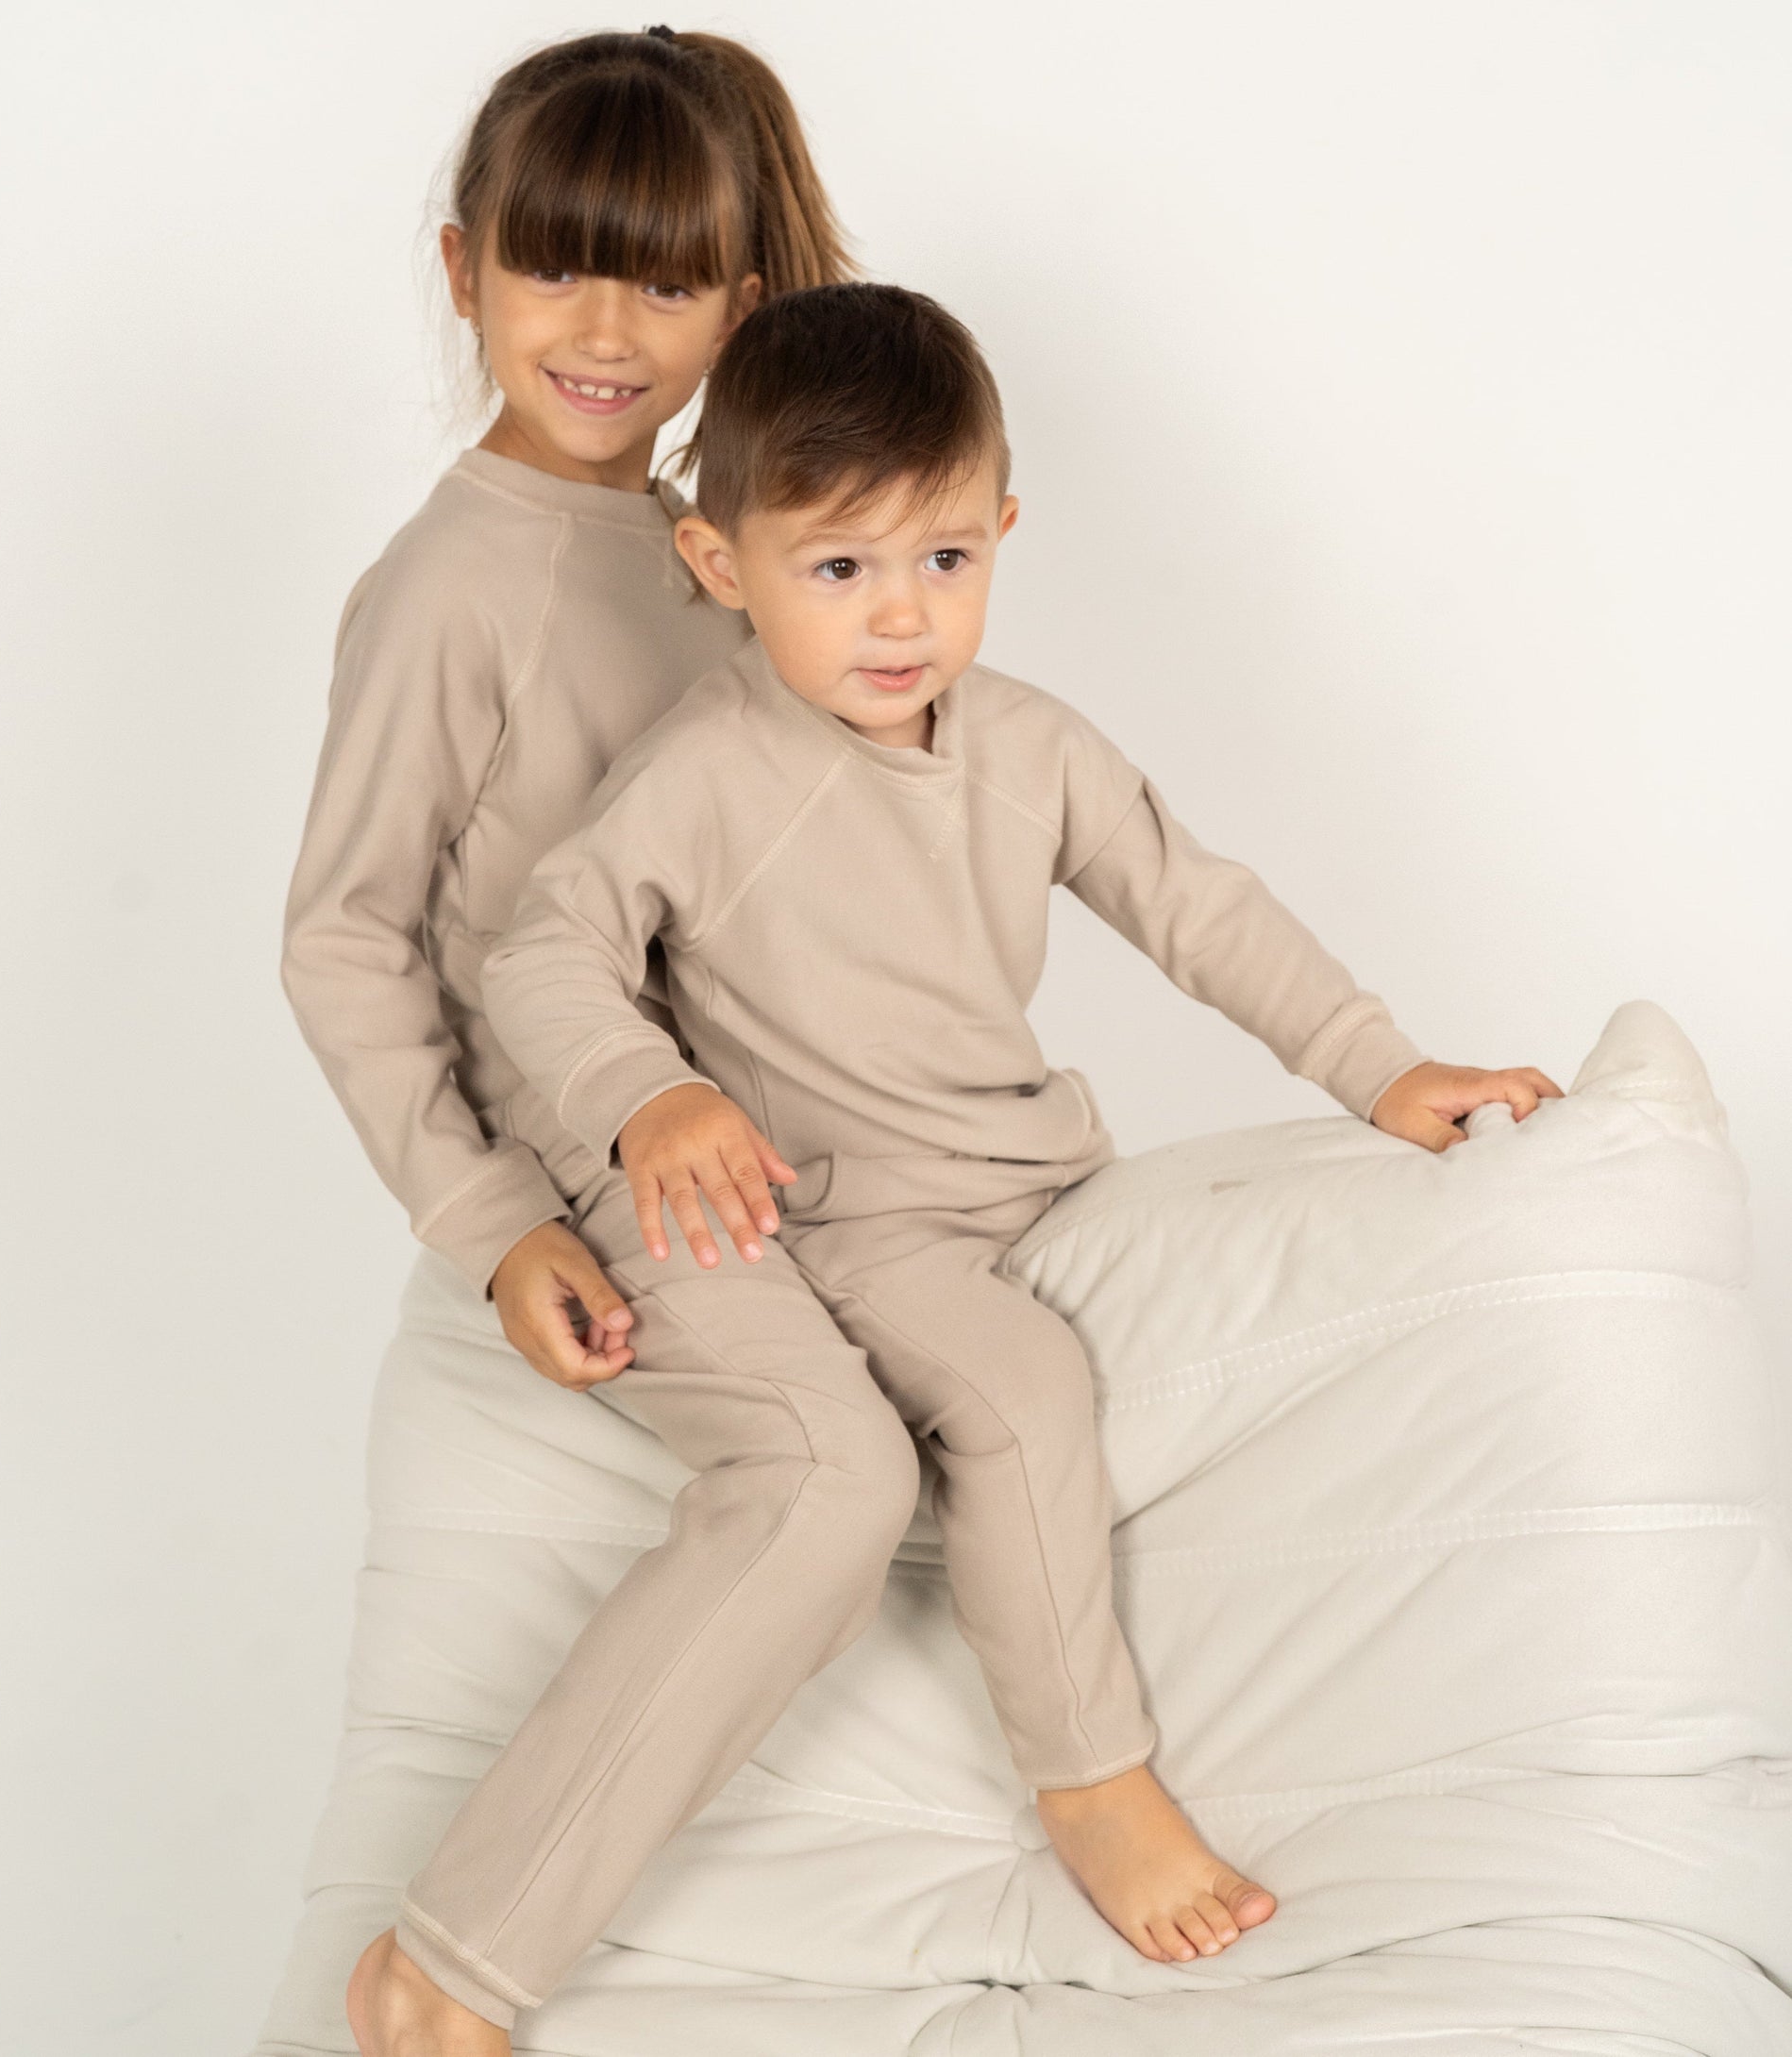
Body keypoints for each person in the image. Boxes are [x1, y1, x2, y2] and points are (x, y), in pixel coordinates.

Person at [480, 281, 1565, 2009]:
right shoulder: (708, 774)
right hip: (845, 1219)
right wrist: (647, 1090)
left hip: (1027, 1178)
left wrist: (1377, 1069)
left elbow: (1196, 906)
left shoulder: (1032, 747)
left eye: (942, 558)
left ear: (1001, 530)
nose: (898, 615)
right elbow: (542, 952)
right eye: (837, 568)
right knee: (1023, 1391)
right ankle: (1090, 1780)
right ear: (720, 565)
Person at [276, 30, 873, 2057]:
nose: (606, 332)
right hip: (594, 1165)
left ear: (739, 304)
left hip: (763, 1141)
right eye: (554, 267)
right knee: (825, 1473)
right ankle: (448, 1965)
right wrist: (493, 1223)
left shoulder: (715, 548)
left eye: (666, 283)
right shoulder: (455, 582)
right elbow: (344, 937)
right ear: (466, 271)